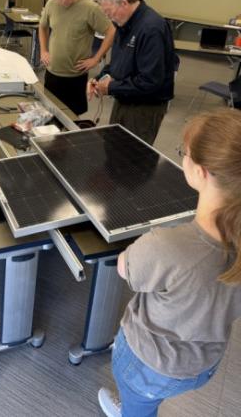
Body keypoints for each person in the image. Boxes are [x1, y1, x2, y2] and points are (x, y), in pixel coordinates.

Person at [98, 108, 241, 417]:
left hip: (149, 365)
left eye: (184, 154)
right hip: (204, 363)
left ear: (201, 172)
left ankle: (133, 409)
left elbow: (125, 268)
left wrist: (144, 246)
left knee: (141, 405)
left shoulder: (166, 246)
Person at [88, 0, 177, 145]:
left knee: (133, 158)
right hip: (125, 97)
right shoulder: (123, 23)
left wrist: (111, 87)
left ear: (124, 2)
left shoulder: (151, 28)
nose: (109, 18)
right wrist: (100, 78)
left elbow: (150, 81)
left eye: (109, 12)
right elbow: (118, 63)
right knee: (113, 146)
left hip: (144, 107)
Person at [39, 0, 115, 116]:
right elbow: (42, 27)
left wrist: (96, 59)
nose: (62, 0)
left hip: (75, 77)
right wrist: (43, 50)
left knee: (71, 119)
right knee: (48, 116)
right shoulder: (51, 4)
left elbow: (111, 31)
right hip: (52, 73)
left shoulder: (90, 8)